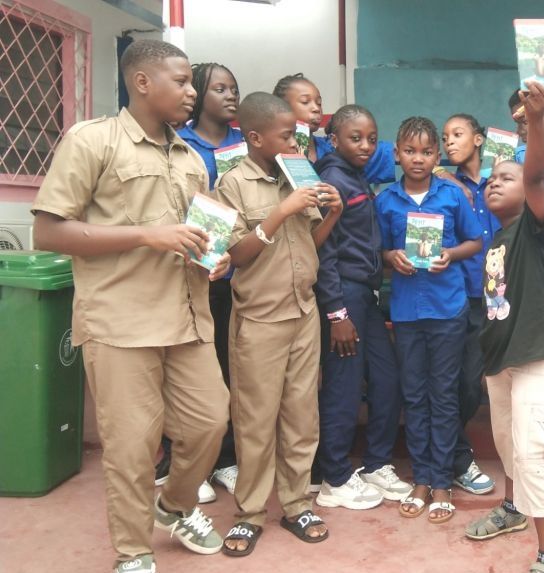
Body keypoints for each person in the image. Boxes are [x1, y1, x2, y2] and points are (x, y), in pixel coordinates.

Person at [31, 39, 230, 573]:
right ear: (142, 82)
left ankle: (175, 507)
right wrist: (146, 235)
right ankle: (134, 552)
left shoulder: (191, 158)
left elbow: (200, 235)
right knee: (132, 446)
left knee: (210, 422)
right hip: (120, 321)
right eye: (181, 81)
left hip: (187, 318)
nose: (192, 93)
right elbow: (48, 232)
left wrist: (215, 258)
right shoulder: (93, 140)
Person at [215, 92, 342, 555]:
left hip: (303, 313)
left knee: (301, 417)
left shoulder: (298, 174)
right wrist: (281, 211)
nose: (295, 143)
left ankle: (296, 504)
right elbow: (234, 256)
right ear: (255, 137)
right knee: (254, 421)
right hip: (259, 319)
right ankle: (249, 513)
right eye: (287, 136)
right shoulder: (232, 184)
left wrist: (334, 213)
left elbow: (310, 242)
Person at [464, 81, 544, 573]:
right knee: (508, 445)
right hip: (500, 359)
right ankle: (512, 509)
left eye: (506, 177)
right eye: (490, 179)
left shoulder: (535, 228)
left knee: (533, 451)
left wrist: (535, 120)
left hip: (535, 355)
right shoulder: (499, 240)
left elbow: (536, 175)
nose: (494, 183)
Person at [375, 116, 483, 523]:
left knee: (444, 394)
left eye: (426, 152)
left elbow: (475, 241)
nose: (417, 159)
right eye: (409, 151)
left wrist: (450, 255)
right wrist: (391, 257)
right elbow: (380, 251)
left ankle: (441, 481)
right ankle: (420, 478)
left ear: (437, 155)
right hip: (406, 312)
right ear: (396, 154)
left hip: (447, 309)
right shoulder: (386, 200)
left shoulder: (451, 195)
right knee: (414, 394)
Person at [312, 104, 411, 510]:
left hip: (366, 296)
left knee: (387, 379)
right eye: (356, 138)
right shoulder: (331, 182)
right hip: (344, 297)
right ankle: (334, 476)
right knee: (344, 385)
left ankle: (375, 463)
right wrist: (337, 313)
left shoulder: (356, 176)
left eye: (371, 138)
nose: (366, 146)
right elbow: (323, 253)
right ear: (334, 140)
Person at [154, 61, 244, 501]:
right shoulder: (180, 143)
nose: (230, 96)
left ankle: (224, 459)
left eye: (234, 88)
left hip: (230, 271)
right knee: (179, 371)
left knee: (224, 368)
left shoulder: (245, 141)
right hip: (184, 272)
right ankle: (181, 462)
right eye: (220, 89)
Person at [440, 113, 500, 495]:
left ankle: (449, 454)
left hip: (498, 294)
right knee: (460, 382)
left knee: (481, 383)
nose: (449, 142)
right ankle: (455, 458)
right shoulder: (444, 184)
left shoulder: (502, 179)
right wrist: (439, 174)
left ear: (479, 139)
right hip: (459, 295)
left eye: (458, 134)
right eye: (445, 136)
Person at [273, 73, 395, 184]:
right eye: (305, 102)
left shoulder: (334, 147)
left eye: (319, 103)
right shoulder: (273, 153)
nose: (316, 108)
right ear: (282, 108)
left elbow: (394, 152)